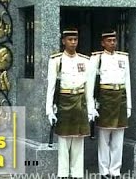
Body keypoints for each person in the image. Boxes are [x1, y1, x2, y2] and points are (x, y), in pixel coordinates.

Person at [45, 28, 94, 179]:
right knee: (64, 140)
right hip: (64, 101)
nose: (73, 43)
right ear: (63, 41)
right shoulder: (56, 60)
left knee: (79, 139)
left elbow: (89, 88)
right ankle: (63, 173)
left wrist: (91, 109)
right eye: (70, 40)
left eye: (75, 40)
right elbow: (51, 87)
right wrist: (49, 110)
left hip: (80, 101)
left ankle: (77, 173)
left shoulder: (85, 61)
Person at [88, 30, 132, 179]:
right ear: (103, 43)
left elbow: (127, 82)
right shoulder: (97, 58)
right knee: (104, 137)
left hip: (120, 98)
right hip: (105, 99)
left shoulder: (123, 58)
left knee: (118, 138)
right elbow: (90, 83)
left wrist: (129, 106)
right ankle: (104, 171)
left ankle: (115, 170)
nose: (112, 43)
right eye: (109, 41)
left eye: (114, 40)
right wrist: (91, 106)